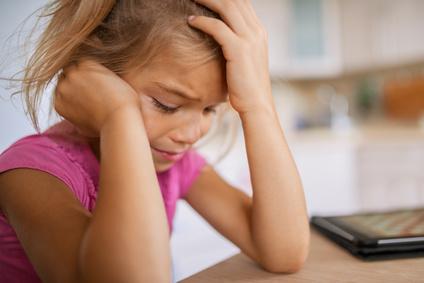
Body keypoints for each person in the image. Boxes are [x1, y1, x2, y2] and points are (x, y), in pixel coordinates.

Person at [0, 0, 310, 282]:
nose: (191, 135)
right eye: (167, 105)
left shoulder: (172, 163)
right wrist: (118, 116)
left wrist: (258, 102)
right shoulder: (30, 175)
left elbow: (284, 252)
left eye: (209, 109)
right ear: (93, 76)